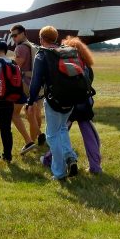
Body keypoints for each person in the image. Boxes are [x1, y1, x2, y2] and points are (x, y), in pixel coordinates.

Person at [26, 25, 79, 181]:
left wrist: (30, 101)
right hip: (71, 99)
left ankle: (59, 172)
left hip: (54, 100)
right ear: (55, 38)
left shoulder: (42, 54)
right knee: (62, 129)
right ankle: (70, 157)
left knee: (52, 136)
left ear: (42, 39)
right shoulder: (67, 51)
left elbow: (36, 82)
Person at [63, 36, 102, 174]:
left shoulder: (67, 64)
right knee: (90, 136)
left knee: (60, 133)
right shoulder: (87, 66)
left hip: (69, 105)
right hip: (85, 104)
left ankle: (50, 159)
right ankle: (95, 166)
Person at [9, 24, 39, 153]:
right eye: (12, 36)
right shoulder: (31, 45)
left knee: (14, 114)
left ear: (23, 33)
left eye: (15, 35)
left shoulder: (20, 48)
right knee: (33, 115)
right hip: (35, 84)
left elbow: (16, 67)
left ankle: (29, 141)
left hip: (24, 85)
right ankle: (36, 139)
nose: (14, 38)